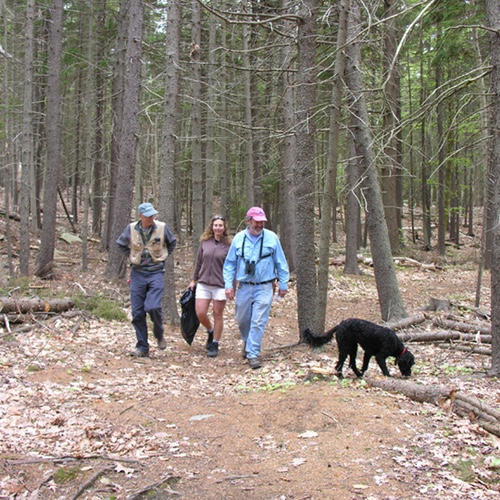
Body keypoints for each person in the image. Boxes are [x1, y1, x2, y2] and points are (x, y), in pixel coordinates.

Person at [223, 207, 289, 369]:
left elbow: (281, 261)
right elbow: (230, 264)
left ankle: (253, 353)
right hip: (244, 286)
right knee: (242, 319)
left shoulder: (272, 238)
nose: (259, 225)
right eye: (257, 221)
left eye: (262, 222)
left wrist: (284, 283)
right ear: (248, 221)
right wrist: (228, 285)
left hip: (265, 286)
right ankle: (247, 342)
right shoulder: (238, 239)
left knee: (258, 320)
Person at [116, 202, 177, 357]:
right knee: (137, 312)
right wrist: (133, 256)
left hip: (156, 273)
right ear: (140, 216)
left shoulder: (162, 227)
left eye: (152, 215)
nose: (151, 218)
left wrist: (162, 257)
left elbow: (172, 242)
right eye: (148, 216)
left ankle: (159, 333)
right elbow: (121, 244)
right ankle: (142, 347)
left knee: (153, 306)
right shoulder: (131, 229)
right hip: (137, 274)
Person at [188, 215, 232, 358]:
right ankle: (210, 329)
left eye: (220, 225)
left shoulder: (229, 245)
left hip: (221, 284)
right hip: (204, 283)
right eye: (215, 225)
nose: (218, 228)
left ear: (224, 227)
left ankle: (215, 343)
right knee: (200, 312)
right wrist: (194, 279)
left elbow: (232, 267)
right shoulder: (205, 242)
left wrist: (231, 286)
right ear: (211, 227)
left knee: (217, 313)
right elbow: (199, 262)